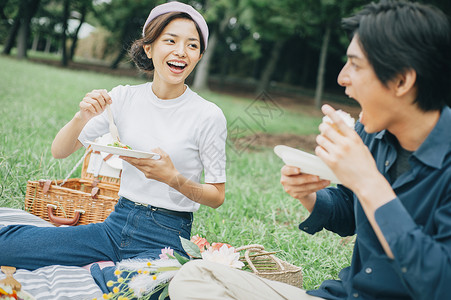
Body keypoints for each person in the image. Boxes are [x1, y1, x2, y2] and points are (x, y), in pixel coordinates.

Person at [168, 0, 451, 299]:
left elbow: (440, 282)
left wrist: (369, 182)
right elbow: (351, 210)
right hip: (342, 295)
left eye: (355, 64)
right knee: (196, 277)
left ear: (402, 80)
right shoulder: (375, 135)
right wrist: (311, 196)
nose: (342, 77)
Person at [0, 0, 226, 294]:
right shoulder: (123, 98)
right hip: (116, 223)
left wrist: (173, 178)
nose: (181, 51)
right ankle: (100, 267)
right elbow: (60, 151)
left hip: (167, 236)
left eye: (192, 45)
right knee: (8, 247)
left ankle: (101, 273)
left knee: (142, 288)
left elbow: (216, 196)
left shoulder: (208, 115)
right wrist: (81, 116)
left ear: (198, 56)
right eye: (171, 41)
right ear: (149, 48)